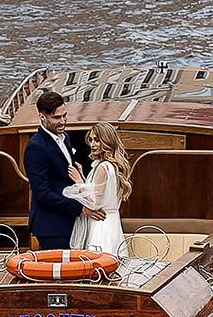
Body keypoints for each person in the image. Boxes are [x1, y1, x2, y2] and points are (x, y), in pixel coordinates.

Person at [22, 89, 95, 250]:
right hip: (52, 227)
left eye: (64, 115)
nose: (62, 121)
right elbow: (42, 194)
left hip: (69, 221)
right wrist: (80, 208)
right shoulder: (35, 147)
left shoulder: (65, 137)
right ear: (42, 117)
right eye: (56, 117)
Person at [70, 122, 132, 258]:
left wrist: (79, 181)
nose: (92, 144)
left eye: (97, 140)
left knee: (99, 266)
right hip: (113, 224)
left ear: (107, 141)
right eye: (91, 140)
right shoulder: (113, 166)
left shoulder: (103, 167)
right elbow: (101, 194)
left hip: (101, 226)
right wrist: (83, 177)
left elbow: (94, 203)